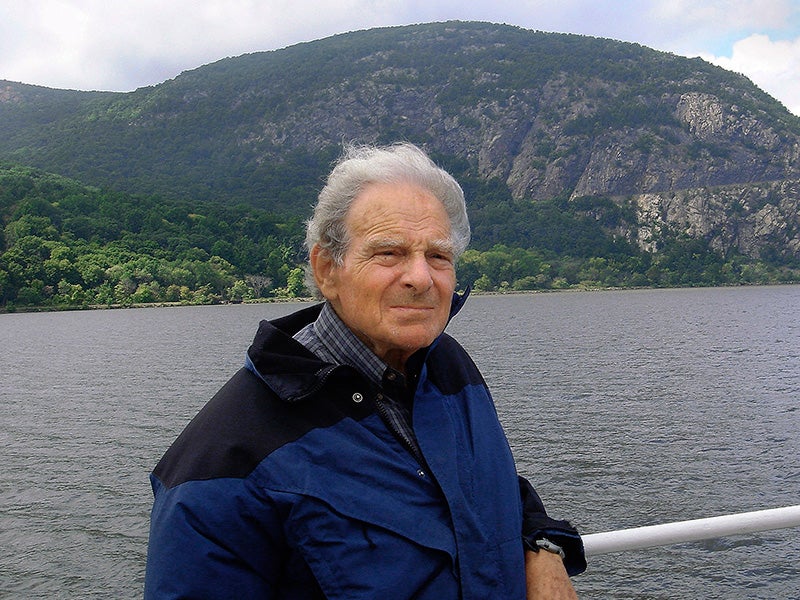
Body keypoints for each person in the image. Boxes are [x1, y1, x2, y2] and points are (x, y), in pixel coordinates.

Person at [144, 143, 586, 599]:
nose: (421, 278)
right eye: (389, 253)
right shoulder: (220, 465)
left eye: (438, 256)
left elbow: (486, 485)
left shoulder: (449, 366)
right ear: (327, 269)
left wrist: (544, 545)